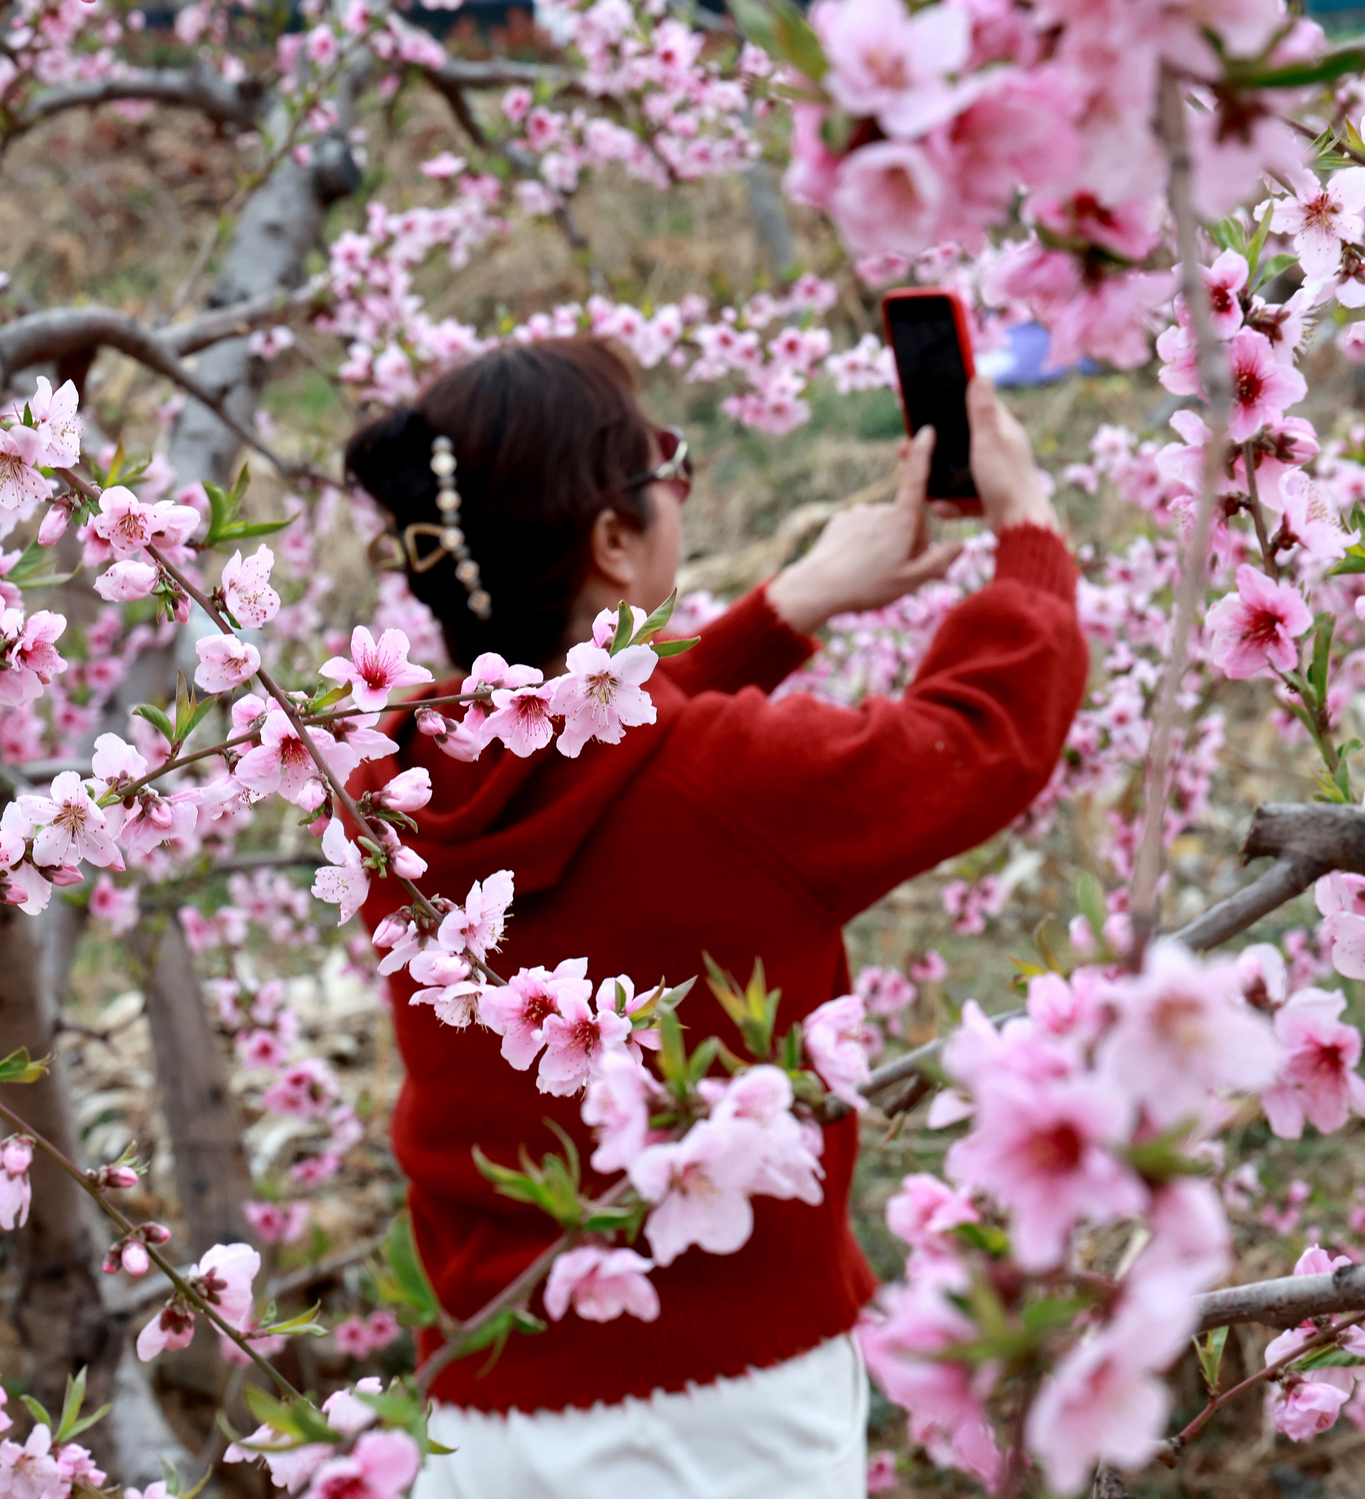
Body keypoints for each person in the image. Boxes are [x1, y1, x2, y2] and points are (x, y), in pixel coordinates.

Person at [346, 337, 1087, 1498]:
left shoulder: (387, 783)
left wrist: (783, 609)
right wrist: (1027, 533)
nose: (678, 490)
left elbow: (580, 747)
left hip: (481, 1409)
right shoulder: (722, 779)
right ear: (609, 539)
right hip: (716, 1409)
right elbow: (982, 740)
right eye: (667, 470)